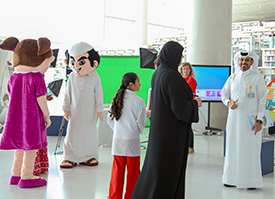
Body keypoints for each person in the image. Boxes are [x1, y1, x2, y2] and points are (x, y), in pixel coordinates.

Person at [132, 41, 202, 199]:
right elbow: (180, 109)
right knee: (168, 172)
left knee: (156, 169)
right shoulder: (171, 76)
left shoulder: (159, 72)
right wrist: (195, 103)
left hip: (160, 131)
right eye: (180, 54)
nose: (181, 57)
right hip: (171, 134)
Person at [0, 37, 53, 188]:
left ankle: (15, 175)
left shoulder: (13, 77)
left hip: (15, 119)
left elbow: (12, 96)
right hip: (31, 120)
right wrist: (47, 115)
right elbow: (41, 100)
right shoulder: (36, 77)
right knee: (31, 149)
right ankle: (27, 176)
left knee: (19, 148)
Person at [221, 51, 266, 189]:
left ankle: (250, 180)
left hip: (250, 123)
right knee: (232, 148)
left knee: (250, 150)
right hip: (234, 121)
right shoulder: (233, 77)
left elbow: (262, 101)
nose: (243, 62)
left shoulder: (257, 79)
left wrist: (259, 121)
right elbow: (224, 94)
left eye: (247, 60)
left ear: (252, 62)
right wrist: (229, 103)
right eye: (241, 60)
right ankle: (231, 178)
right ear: (238, 61)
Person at [60, 42, 103, 168]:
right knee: (72, 133)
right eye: (73, 62)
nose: (77, 66)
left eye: (81, 62)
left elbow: (99, 94)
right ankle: (69, 157)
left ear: (94, 63)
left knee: (89, 134)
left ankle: (89, 156)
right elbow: (67, 94)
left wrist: (99, 109)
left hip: (90, 112)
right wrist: (65, 108)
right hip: (74, 112)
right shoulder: (72, 77)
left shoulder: (95, 77)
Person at [107, 72, 147, 199]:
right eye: (138, 81)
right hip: (132, 140)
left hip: (118, 139)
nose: (140, 84)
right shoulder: (139, 101)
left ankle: (114, 196)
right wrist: (135, 131)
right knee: (133, 172)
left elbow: (110, 119)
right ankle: (131, 196)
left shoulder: (116, 98)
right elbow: (141, 123)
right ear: (131, 84)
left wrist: (119, 130)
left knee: (117, 171)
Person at [178, 62, 198, 154]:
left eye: (187, 69)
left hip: (188, 105)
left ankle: (190, 146)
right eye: (184, 69)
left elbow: (189, 93)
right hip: (180, 104)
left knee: (188, 127)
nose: (185, 71)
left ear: (190, 70)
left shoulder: (192, 80)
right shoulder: (178, 79)